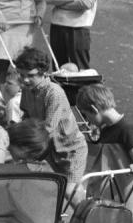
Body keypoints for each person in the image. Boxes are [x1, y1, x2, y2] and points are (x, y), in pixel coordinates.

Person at [15, 46, 87, 196]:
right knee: (52, 190)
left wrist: (24, 146)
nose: (25, 80)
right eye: (21, 75)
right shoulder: (27, 89)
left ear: (43, 72)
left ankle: (89, 215)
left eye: (30, 75)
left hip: (70, 150)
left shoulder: (54, 93)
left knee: (69, 193)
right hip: (50, 151)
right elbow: (27, 116)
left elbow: (48, 128)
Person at [76, 84, 133, 176]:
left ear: (94, 109)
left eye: (85, 115)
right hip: (110, 184)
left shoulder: (128, 130)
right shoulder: (106, 129)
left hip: (122, 185)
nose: (87, 119)